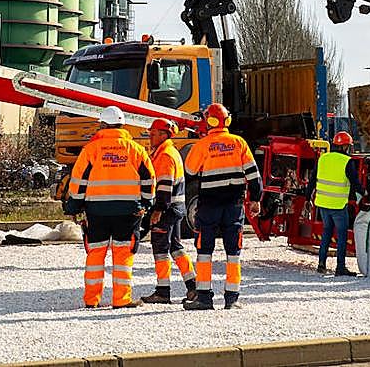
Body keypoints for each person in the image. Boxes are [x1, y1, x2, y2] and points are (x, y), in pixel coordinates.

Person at [64, 105, 155, 309]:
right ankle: (121, 300)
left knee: (95, 254)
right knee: (123, 255)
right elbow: (149, 180)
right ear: (123, 125)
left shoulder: (91, 149)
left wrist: (74, 207)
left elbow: (78, 182)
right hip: (129, 211)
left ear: (103, 125)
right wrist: (146, 203)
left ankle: (91, 300)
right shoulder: (135, 149)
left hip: (97, 211)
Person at [183, 102, 262, 310]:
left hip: (209, 205)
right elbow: (253, 174)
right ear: (227, 120)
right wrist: (256, 199)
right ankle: (232, 298)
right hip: (234, 205)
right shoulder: (239, 142)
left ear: (209, 121)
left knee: (204, 251)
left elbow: (190, 170)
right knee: (233, 252)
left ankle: (203, 297)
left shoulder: (203, 145)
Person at [140, 118, 196, 305]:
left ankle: (163, 292)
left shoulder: (165, 155)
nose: (150, 137)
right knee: (176, 248)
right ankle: (193, 286)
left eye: (153, 134)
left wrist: (158, 210)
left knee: (160, 249)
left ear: (164, 135)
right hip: (175, 208)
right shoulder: (169, 152)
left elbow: (164, 186)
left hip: (167, 209)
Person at [309, 131, 361, 277]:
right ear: (345, 146)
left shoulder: (323, 158)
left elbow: (313, 179)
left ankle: (321, 264)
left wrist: (307, 197)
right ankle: (340, 267)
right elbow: (355, 182)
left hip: (323, 204)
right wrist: (365, 193)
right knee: (342, 236)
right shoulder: (347, 161)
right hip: (338, 205)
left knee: (326, 232)